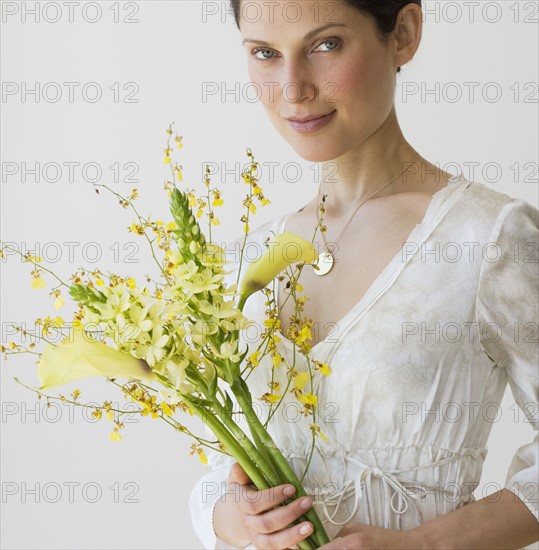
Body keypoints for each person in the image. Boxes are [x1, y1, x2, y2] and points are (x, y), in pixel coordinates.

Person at [189, 1, 539, 548]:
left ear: (402, 33)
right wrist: (229, 515)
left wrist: (421, 546)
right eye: (264, 54)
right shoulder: (246, 258)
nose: (292, 88)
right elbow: (221, 466)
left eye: (325, 45)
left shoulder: (487, 236)